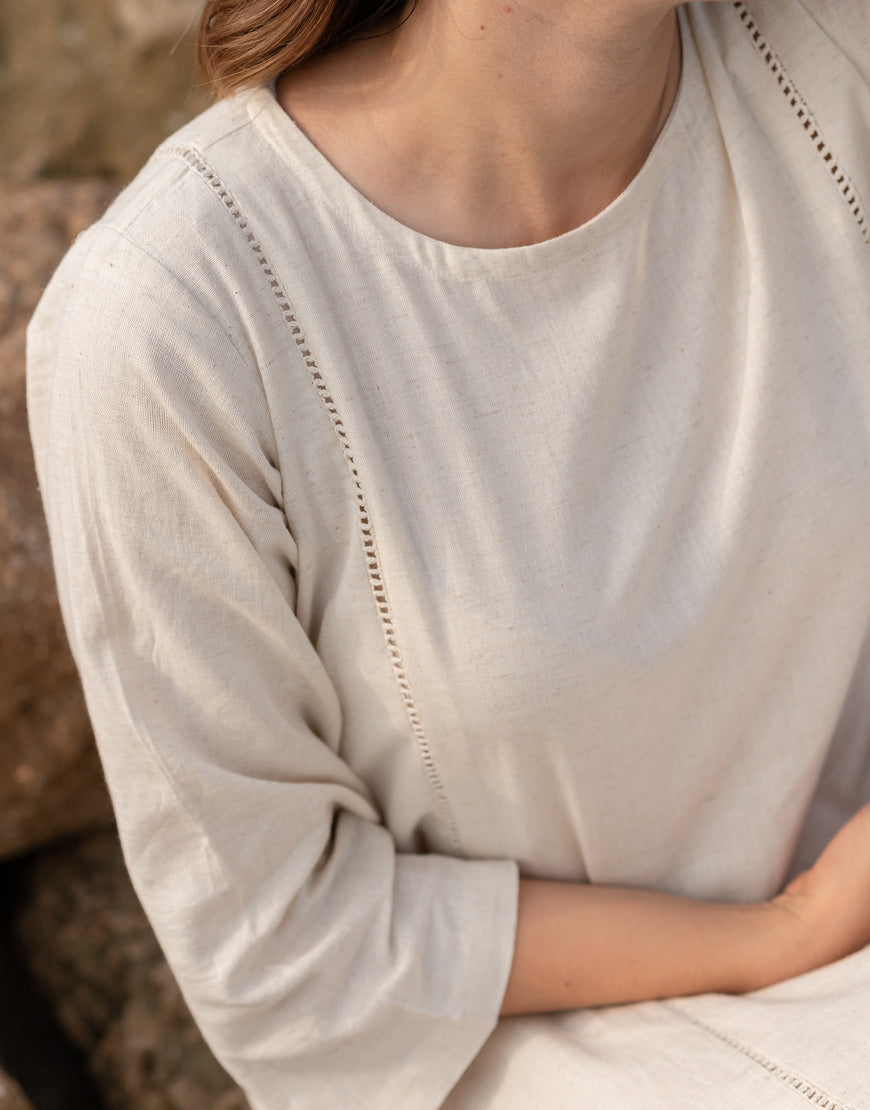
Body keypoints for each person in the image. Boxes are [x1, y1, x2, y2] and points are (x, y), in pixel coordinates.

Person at [26, 0, 870, 1105]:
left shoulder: (834, 61)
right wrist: (782, 933)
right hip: (547, 1049)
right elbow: (285, 958)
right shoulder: (173, 321)